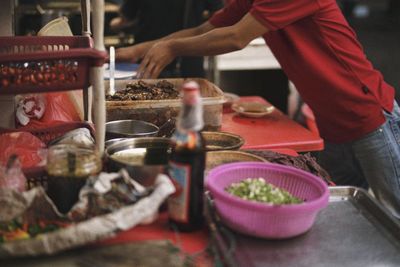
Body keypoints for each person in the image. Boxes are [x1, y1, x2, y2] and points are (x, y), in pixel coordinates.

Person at [116, 0, 400, 217]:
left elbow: (236, 37)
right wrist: (136, 51)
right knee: (337, 211)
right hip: (333, 123)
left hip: (370, 118)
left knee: (392, 214)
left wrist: (172, 48)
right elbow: (206, 31)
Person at [112, 0, 223, 78]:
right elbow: (213, 21)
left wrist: (114, 24)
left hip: (148, 61)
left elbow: (127, 18)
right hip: (189, 60)